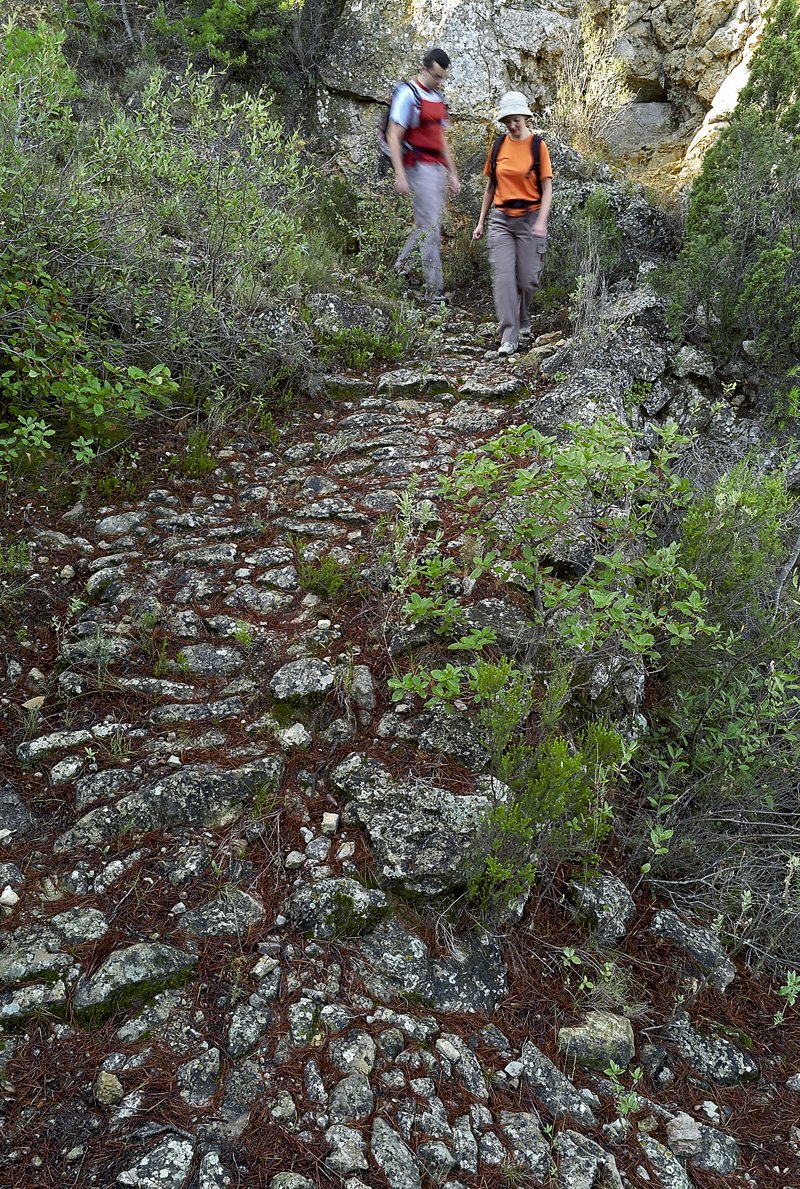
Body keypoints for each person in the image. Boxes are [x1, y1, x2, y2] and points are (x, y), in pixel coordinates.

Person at [473, 91, 553, 356]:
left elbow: (547, 187)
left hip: (530, 219)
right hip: (502, 221)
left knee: (528, 279)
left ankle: (522, 316)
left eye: (516, 119)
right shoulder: (498, 146)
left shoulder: (537, 146)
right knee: (504, 278)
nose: (512, 125)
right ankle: (509, 337)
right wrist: (481, 221)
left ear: (526, 116)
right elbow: (490, 187)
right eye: (507, 120)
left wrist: (541, 220)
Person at [387, 48, 461, 302]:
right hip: (417, 166)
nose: (440, 82)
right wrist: (400, 175)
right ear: (424, 69)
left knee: (429, 225)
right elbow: (393, 136)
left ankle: (399, 266)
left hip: (436, 168)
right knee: (430, 228)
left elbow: (441, 138)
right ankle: (434, 290)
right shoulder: (408, 94)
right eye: (437, 76)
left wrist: (452, 172)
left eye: (443, 78)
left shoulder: (438, 98)